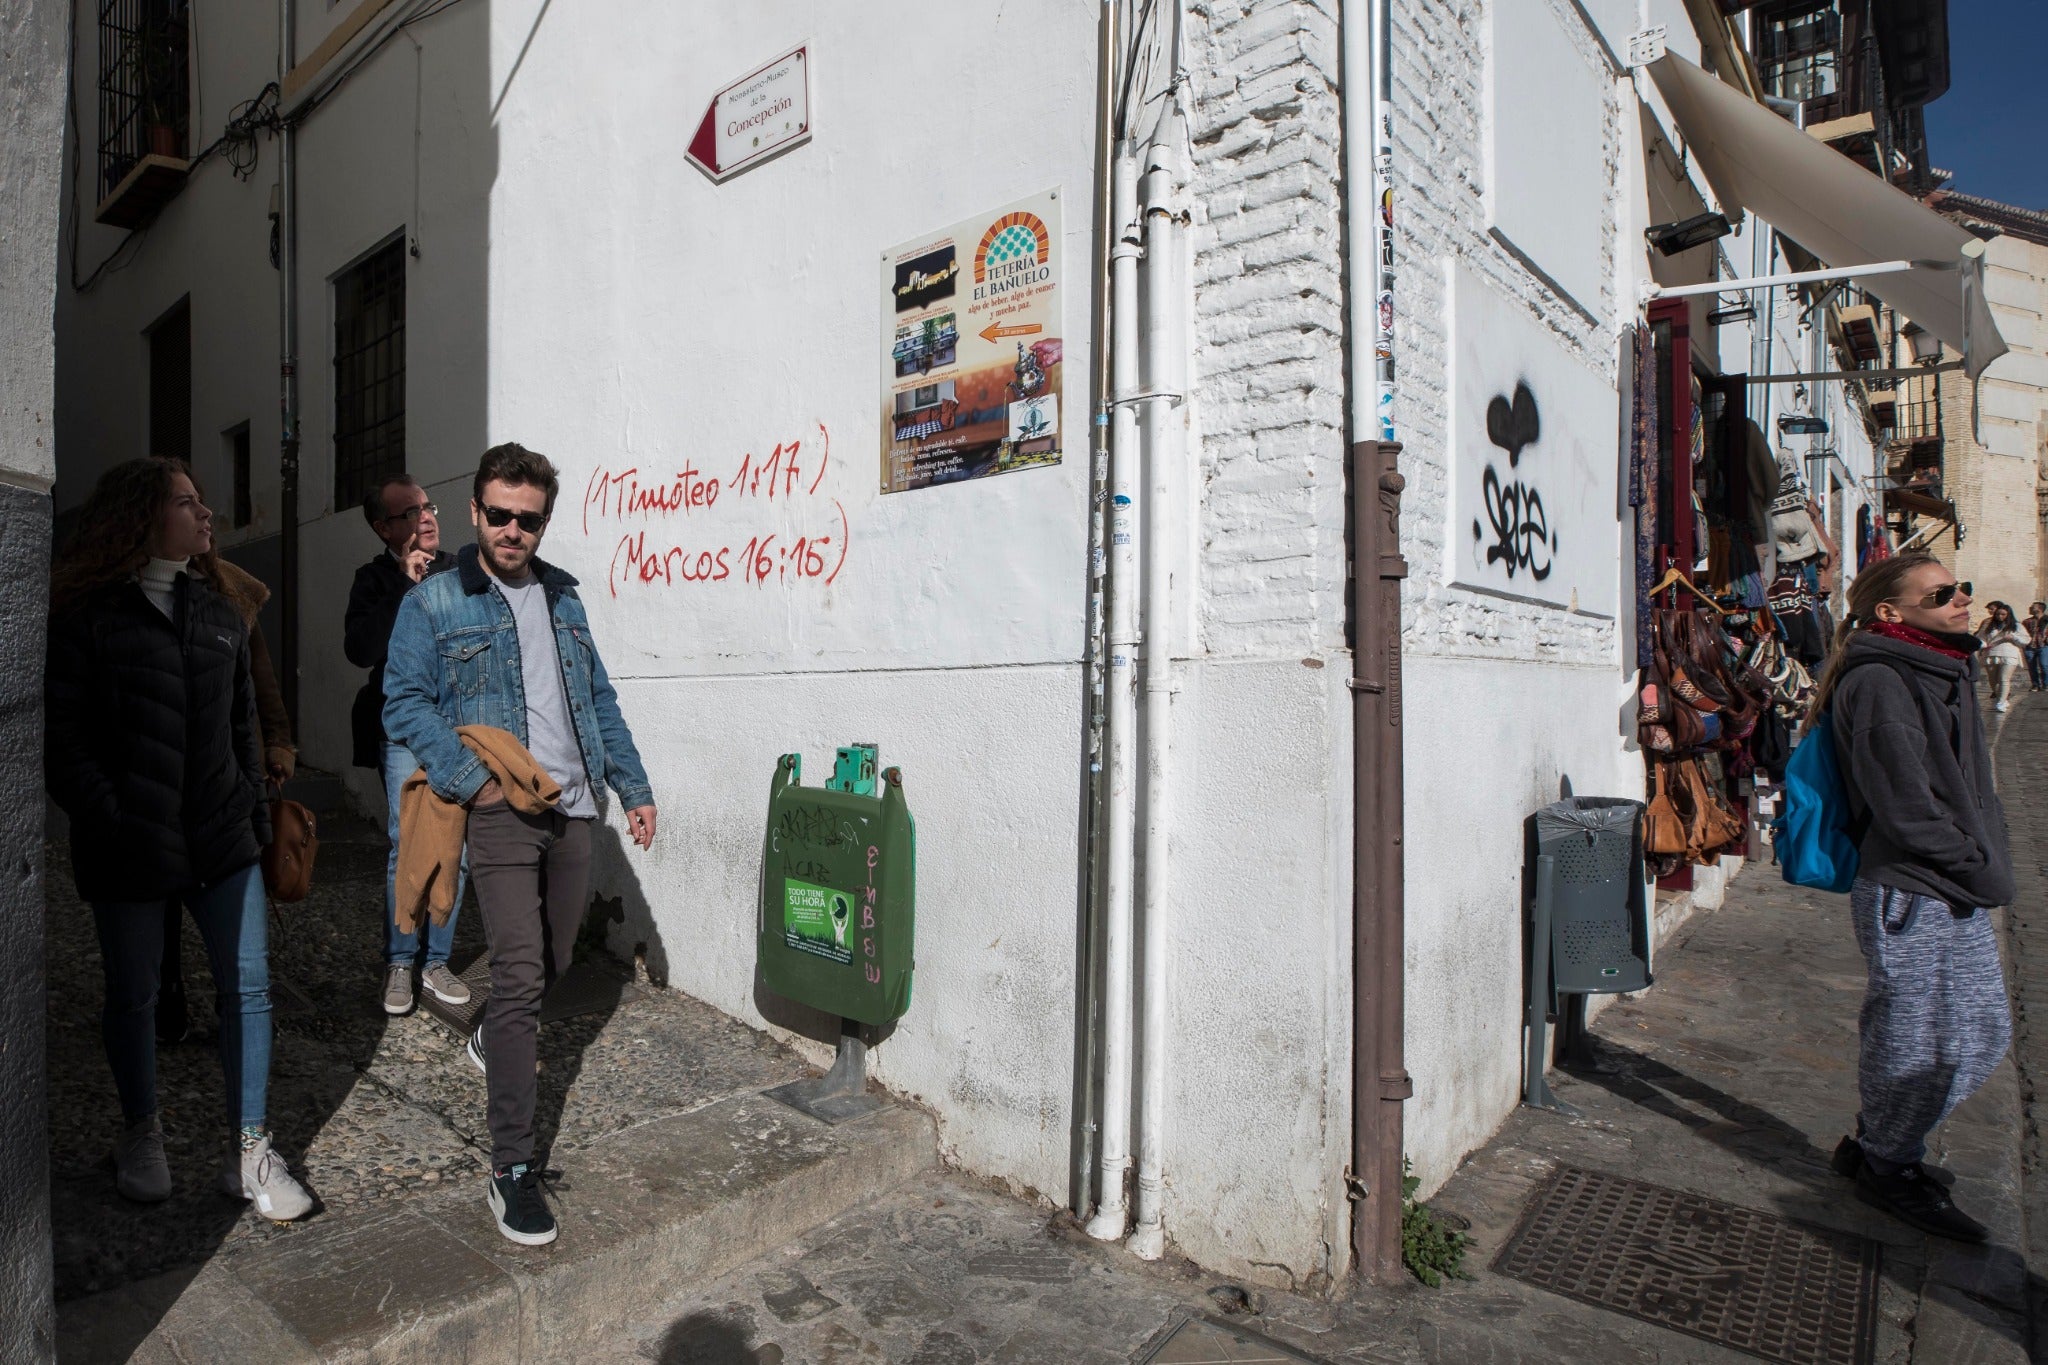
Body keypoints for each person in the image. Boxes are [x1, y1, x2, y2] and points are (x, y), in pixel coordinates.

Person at [383, 443, 657, 1247]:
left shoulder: (565, 599)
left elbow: (598, 698)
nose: (512, 530)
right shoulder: (434, 602)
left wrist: (633, 787)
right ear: (474, 512)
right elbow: (404, 699)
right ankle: (511, 1167)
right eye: (498, 514)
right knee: (521, 969)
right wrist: (476, 780)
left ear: (543, 521)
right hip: (500, 807)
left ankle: (492, 1030)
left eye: (527, 519)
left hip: (576, 809)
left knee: (556, 963)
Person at [45, 457, 313, 1219]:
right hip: (129, 844)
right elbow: (62, 739)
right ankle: (141, 1132)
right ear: (140, 517)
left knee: (249, 989)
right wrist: (112, 817)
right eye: (187, 503)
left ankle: (251, 1151)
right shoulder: (87, 613)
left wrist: (254, 819)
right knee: (132, 996)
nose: (205, 517)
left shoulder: (222, 610)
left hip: (222, 839)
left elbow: (241, 727)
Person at [1807, 553, 2013, 1242]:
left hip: (1950, 881)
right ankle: (1888, 1166)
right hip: (1912, 887)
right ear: (1891, 613)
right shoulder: (1882, 682)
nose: (1961, 600)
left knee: (1981, 1030)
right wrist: (1977, 864)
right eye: (1942, 593)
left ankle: (1880, 1144)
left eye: (1963, 587)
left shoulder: (1939, 668)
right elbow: (1904, 806)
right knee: (1914, 1039)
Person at [344, 474, 470, 1017]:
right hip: (399, 730)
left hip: (455, 728)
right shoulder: (374, 581)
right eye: (408, 512)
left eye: (427, 506)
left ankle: (436, 961)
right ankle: (401, 961)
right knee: (406, 842)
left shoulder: (462, 572)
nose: (425, 517)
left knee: (454, 845)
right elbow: (362, 648)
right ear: (382, 528)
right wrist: (402, 582)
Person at [157, 557, 295, 1046]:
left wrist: (277, 742)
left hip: (233, 769)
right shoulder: (130, 591)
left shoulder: (235, 591)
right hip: (165, 778)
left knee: (239, 900)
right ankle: (166, 1001)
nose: (206, 519)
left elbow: (261, 680)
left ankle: (239, 1006)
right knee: (162, 902)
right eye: (189, 505)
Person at [1976, 600, 2025, 714]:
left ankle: (2001, 702)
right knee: (1993, 680)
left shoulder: (2017, 626)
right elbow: (1980, 637)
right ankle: (2001, 697)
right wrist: (1984, 645)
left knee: (2004, 678)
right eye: (1998, 614)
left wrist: (2013, 638)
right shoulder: (1988, 625)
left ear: (2008, 615)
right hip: (1992, 653)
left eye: (2003, 614)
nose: (2000, 616)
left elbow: (2025, 640)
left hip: (2009, 654)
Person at [2024, 601, 2048, 692]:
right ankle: (2035, 684)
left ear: (2039, 609)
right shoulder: (2027, 621)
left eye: (2032, 607)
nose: (2030, 608)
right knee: (2032, 666)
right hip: (2030, 647)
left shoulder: (2047, 620)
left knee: (2044, 665)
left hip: (2044, 646)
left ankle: (2046, 684)